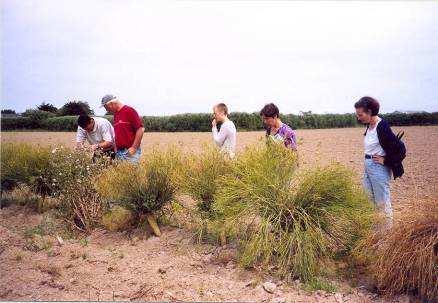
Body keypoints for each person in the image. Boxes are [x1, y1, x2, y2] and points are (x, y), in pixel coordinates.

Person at [355, 96, 406, 228]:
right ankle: (375, 234)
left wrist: (386, 160)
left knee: (382, 202)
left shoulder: (382, 126)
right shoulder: (369, 126)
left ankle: (386, 236)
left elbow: (401, 149)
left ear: (370, 112)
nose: (358, 117)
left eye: (360, 115)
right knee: (368, 201)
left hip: (378, 168)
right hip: (368, 167)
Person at [100, 95, 145, 163]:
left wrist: (134, 148)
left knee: (132, 173)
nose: (107, 110)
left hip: (130, 152)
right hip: (119, 153)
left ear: (112, 103)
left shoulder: (129, 111)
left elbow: (140, 129)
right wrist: (116, 150)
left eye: (106, 107)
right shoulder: (116, 115)